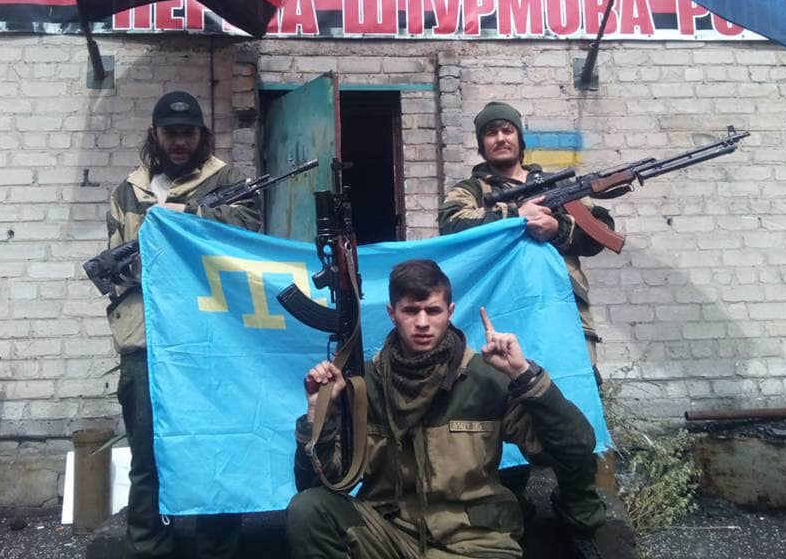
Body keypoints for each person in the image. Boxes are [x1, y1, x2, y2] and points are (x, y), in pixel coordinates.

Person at [286, 259, 604, 559]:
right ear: (392, 313)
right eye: (411, 311)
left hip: (475, 542)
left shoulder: (487, 379)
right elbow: (317, 485)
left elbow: (575, 447)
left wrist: (524, 374)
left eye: (433, 310)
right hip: (392, 536)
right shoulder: (363, 385)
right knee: (309, 509)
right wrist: (317, 415)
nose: (423, 323)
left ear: (450, 312)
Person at [106, 91, 261, 559]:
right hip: (146, 341)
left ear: (201, 135)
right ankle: (149, 546)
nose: (179, 142)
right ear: (154, 134)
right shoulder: (129, 191)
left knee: (217, 449)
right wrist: (149, 256)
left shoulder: (227, 179)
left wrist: (188, 215)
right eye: (170, 133)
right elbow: (114, 264)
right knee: (148, 456)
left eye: (188, 133)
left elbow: (249, 229)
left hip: (210, 337)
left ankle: (217, 549)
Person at [438, 101, 614, 378]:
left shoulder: (558, 185)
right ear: (482, 144)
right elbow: (452, 225)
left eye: (507, 131)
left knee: (575, 389)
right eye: (491, 133)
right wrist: (516, 215)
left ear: (519, 139)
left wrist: (557, 228)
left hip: (564, 309)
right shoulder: (472, 190)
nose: (500, 138)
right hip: (502, 312)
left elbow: (601, 230)